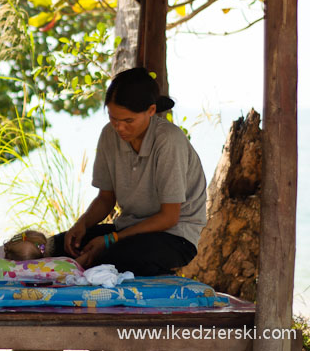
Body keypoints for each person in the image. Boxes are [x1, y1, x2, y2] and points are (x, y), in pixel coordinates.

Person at [52, 67, 207, 276]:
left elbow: (169, 217)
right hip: (127, 230)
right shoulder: (109, 135)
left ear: (151, 111)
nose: (120, 128)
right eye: (113, 119)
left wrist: (109, 240)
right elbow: (106, 198)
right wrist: (82, 224)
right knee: (58, 246)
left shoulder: (168, 140)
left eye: (128, 121)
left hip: (174, 236)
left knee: (112, 258)